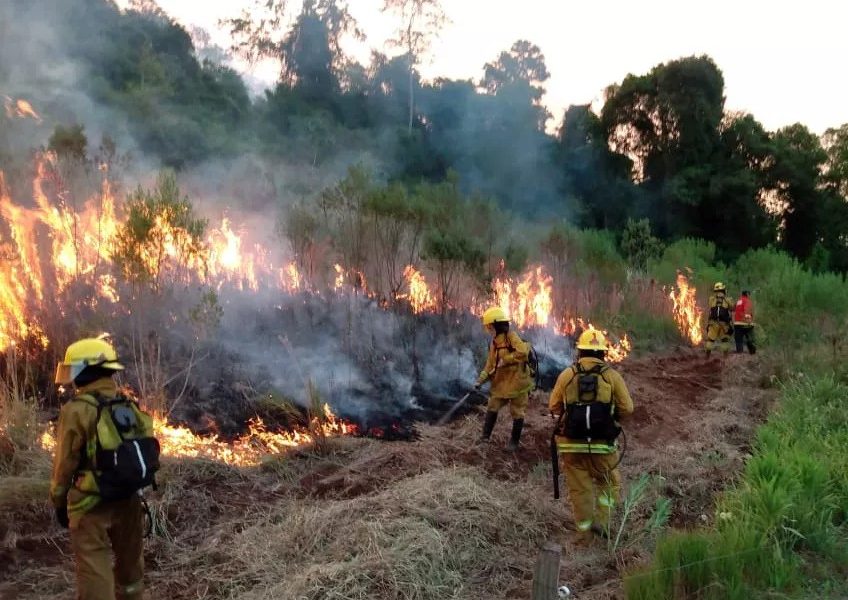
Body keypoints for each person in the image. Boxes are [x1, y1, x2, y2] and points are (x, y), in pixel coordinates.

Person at [51, 337, 152, 600]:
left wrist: (60, 501)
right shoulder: (127, 404)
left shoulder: (76, 410)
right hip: (129, 499)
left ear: (85, 371)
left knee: (95, 571)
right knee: (131, 572)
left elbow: (65, 464)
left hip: (89, 504)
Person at [549, 329, 634, 543]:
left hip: (571, 447)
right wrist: (611, 418)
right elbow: (628, 408)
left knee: (580, 490)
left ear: (580, 351)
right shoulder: (611, 376)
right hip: (603, 446)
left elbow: (554, 406)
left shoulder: (568, 374)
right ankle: (602, 524)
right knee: (609, 483)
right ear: (603, 354)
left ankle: (583, 534)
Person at [475, 307, 534, 450]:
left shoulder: (512, 337)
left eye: (490, 327)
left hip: (517, 384)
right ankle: (485, 438)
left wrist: (507, 359)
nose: (489, 330)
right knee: (492, 406)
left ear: (497, 325)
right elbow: (489, 365)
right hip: (501, 384)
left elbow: (523, 352)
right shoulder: (494, 343)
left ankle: (514, 443)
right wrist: (480, 380)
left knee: (517, 412)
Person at [705, 282, 734, 357]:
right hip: (724, 325)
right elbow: (732, 308)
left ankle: (707, 357)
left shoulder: (711, 299)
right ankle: (725, 358)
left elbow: (710, 306)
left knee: (710, 340)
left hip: (713, 323)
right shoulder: (728, 300)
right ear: (724, 290)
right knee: (725, 340)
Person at [733, 290, 756, 354]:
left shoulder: (738, 301)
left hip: (737, 323)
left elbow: (733, 308)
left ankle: (739, 352)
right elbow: (747, 311)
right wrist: (749, 321)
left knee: (738, 339)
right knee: (750, 338)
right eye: (749, 294)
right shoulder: (747, 301)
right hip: (746, 323)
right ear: (747, 294)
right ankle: (752, 352)